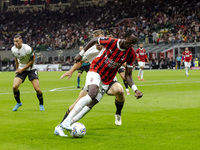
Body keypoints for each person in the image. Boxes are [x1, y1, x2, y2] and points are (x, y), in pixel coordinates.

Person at [61, 30, 143, 132]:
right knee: (84, 99)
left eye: (133, 43)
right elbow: (80, 61)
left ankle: (118, 113)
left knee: (119, 91)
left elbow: (125, 69)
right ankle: (62, 124)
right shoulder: (93, 50)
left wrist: (135, 89)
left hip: (109, 79)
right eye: (129, 42)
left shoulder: (116, 47)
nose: (101, 44)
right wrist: (71, 70)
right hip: (95, 74)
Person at [11, 35, 44, 111]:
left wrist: (22, 69)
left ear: (21, 41)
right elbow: (16, 58)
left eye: (17, 41)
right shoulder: (13, 49)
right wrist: (17, 68)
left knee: (37, 89)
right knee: (14, 87)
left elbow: (32, 61)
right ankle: (18, 103)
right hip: (21, 69)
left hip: (31, 69)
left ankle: (41, 104)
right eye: (14, 41)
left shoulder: (28, 49)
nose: (15, 43)